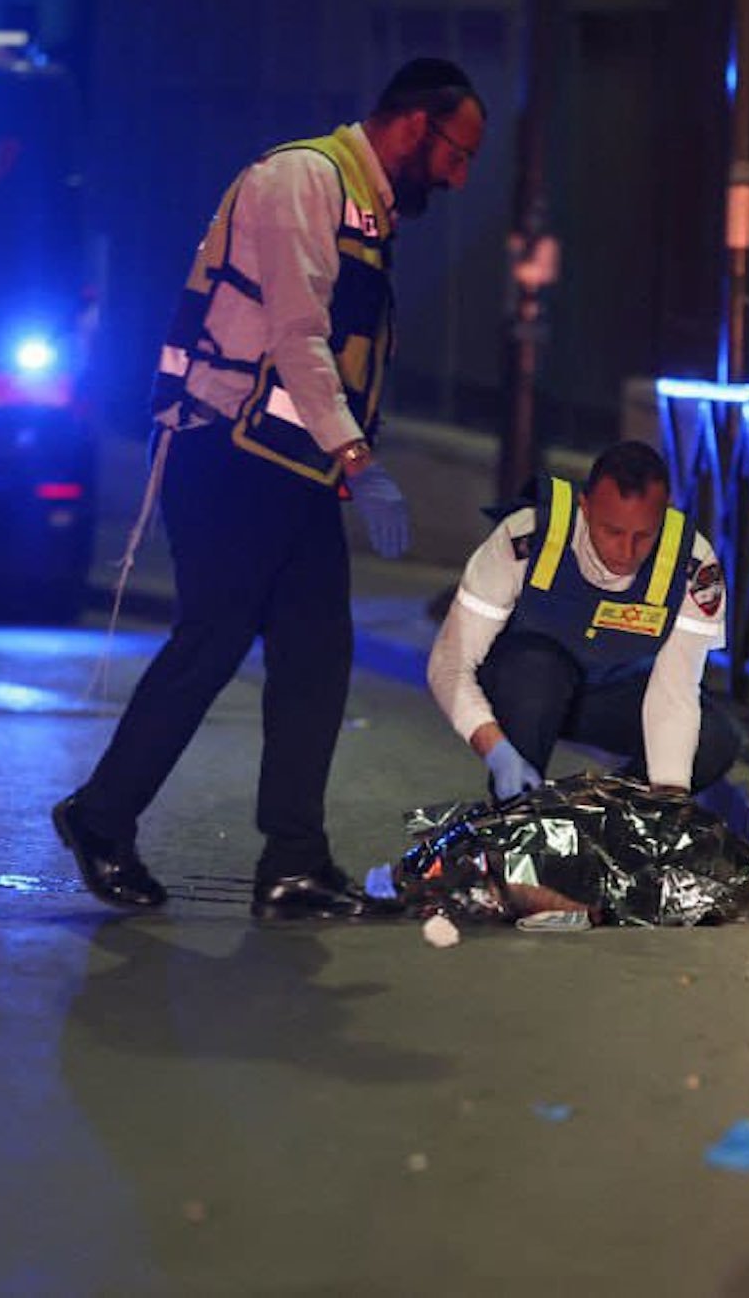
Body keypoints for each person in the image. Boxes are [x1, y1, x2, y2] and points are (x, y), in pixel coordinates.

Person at [54, 57, 486, 919]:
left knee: (316, 653)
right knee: (215, 638)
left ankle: (292, 864)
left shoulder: (362, 204)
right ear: (411, 124)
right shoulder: (302, 179)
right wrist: (358, 461)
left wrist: (334, 458)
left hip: (282, 462)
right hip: (224, 448)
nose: (461, 173)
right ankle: (101, 816)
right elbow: (298, 333)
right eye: (457, 151)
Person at [426, 440, 740, 803]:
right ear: (585, 507)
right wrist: (497, 752)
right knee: (535, 670)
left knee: (714, 739)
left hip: (612, 697)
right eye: (612, 532)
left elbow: (675, 693)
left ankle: (603, 819)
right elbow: (450, 664)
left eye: (643, 536)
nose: (625, 552)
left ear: (665, 514)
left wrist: (668, 795)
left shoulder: (694, 567)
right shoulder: (526, 537)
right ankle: (515, 820)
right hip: (527, 692)